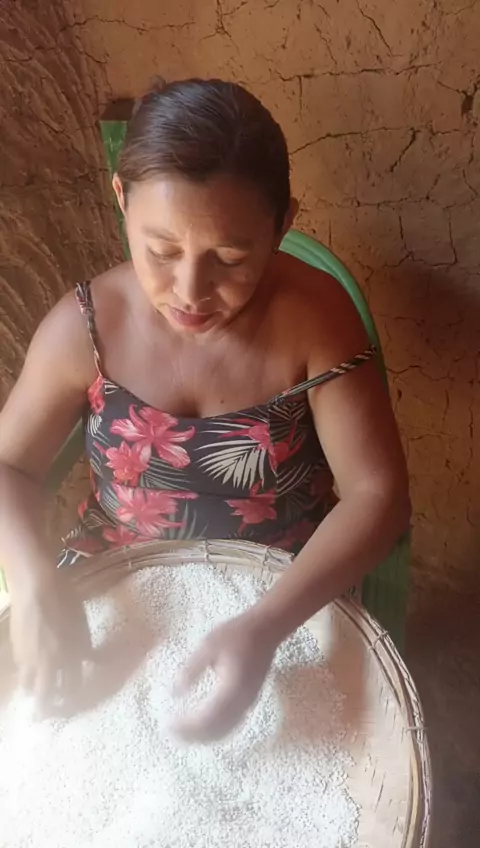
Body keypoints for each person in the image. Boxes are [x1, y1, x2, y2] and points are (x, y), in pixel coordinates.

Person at [0, 79, 410, 741]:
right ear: (121, 200)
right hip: (119, 576)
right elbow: (9, 464)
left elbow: (377, 494)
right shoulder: (86, 328)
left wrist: (266, 625)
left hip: (287, 585)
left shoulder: (316, 320)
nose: (190, 290)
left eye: (230, 257)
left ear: (282, 224)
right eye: (161, 251)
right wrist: (31, 580)